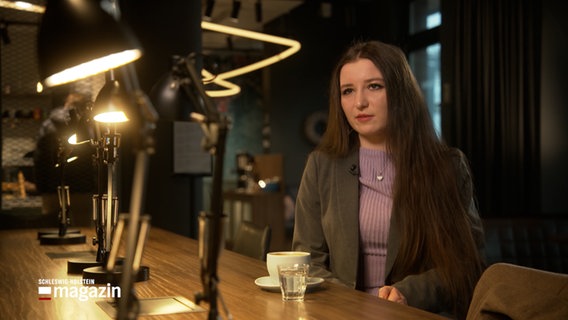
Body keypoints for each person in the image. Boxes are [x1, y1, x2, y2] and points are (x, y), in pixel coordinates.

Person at [292, 40, 486, 319]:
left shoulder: (446, 166)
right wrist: (350, 305)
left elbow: (467, 265)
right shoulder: (321, 165)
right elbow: (307, 259)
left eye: (374, 86)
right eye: (348, 91)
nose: (359, 102)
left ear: (400, 91)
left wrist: (410, 293)